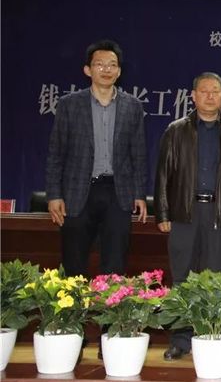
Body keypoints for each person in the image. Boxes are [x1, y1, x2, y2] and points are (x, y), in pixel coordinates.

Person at [155, 72, 221, 361]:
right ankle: (181, 340)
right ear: (193, 96)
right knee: (182, 277)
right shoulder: (176, 130)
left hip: (219, 214)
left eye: (215, 91)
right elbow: (163, 173)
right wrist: (163, 211)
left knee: (217, 278)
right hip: (183, 212)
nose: (210, 96)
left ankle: (213, 336)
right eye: (204, 91)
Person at [45, 39, 148, 277]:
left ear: (119, 71)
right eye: (100, 64)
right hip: (77, 191)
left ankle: (111, 301)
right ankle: (73, 303)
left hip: (117, 193)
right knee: (74, 263)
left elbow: (138, 154)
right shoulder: (69, 104)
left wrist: (139, 194)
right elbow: (56, 153)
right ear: (87, 70)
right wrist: (54, 195)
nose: (106, 70)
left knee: (115, 264)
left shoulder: (132, 106)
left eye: (112, 65)